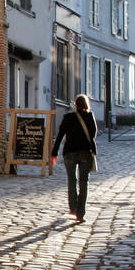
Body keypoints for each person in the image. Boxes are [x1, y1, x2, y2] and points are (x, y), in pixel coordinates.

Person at [50, 94, 97, 223]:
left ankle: (72, 208)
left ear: (75, 105)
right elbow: (93, 134)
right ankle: (80, 214)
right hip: (85, 153)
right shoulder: (89, 116)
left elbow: (59, 136)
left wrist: (54, 153)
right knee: (83, 182)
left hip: (69, 153)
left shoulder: (68, 117)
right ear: (86, 105)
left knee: (72, 180)